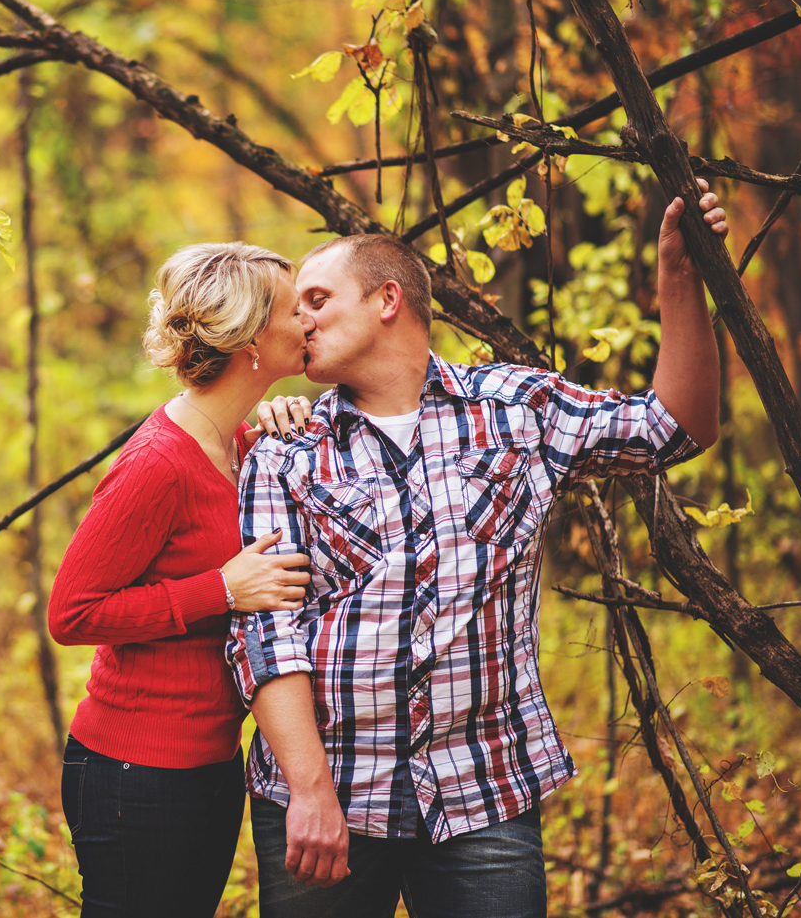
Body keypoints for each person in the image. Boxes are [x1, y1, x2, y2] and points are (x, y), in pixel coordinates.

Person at [230, 182, 728, 918]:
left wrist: (681, 279)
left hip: (484, 795)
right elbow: (269, 636)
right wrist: (309, 791)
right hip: (323, 799)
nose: (295, 319)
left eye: (314, 299)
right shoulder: (285, 448)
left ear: (386, 299)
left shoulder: (517, 412)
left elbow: (674, 428)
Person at [47, 241, 316, 917]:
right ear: (251, 338)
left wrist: (281, 426)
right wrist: (220, 589)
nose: (308, 322)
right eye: (294, 309)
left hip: (210, 763)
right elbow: (72, 612)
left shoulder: (239, 445)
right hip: (135, 772)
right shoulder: (157, 464)